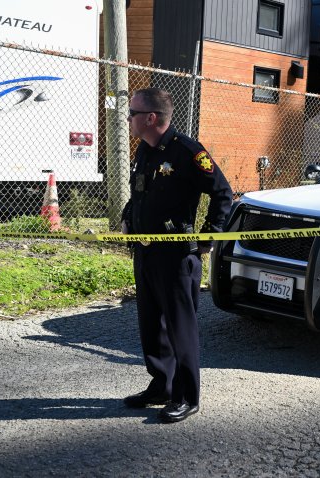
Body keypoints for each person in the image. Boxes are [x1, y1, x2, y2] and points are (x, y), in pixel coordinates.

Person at [120, 88, 232, 423]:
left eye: (133, 114)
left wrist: (208, 237)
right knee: (151, 325)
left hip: (176, 257)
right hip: (146, 253)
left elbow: (222, 193)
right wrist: (129, 217)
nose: (128, 119)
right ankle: (161, 385)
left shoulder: (188, 152)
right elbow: (140, 193)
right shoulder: (145, 149)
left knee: (180, 329)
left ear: (150, 118)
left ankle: (186, 396)